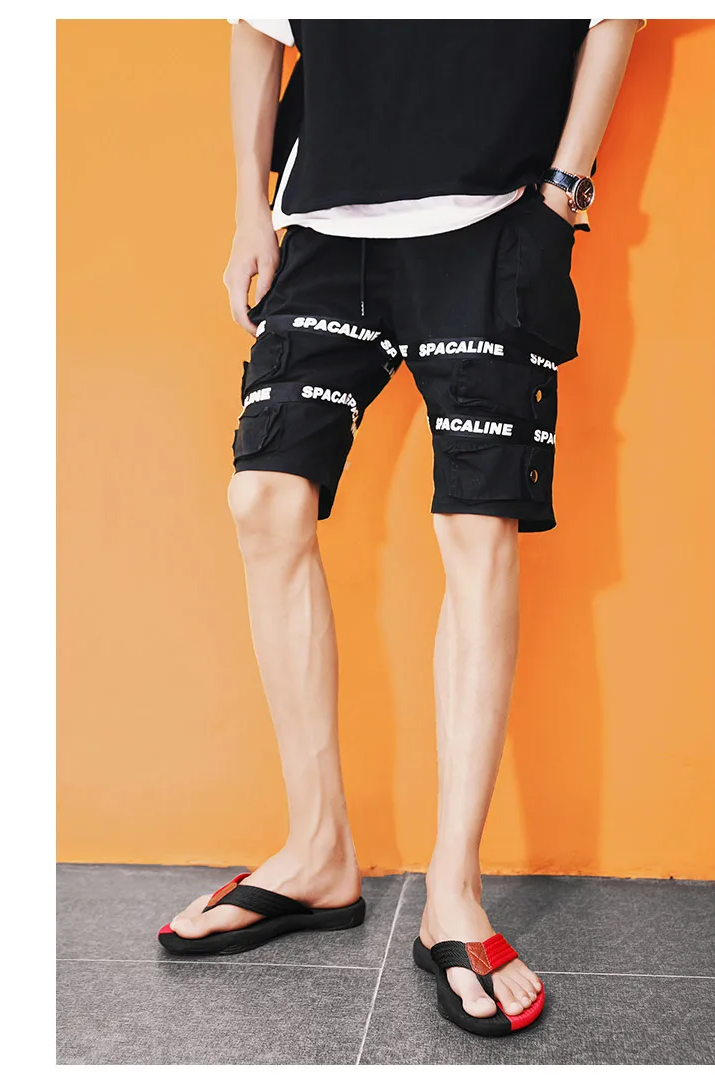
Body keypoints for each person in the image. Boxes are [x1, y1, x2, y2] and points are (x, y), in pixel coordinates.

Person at [158, 17, 644, 1037]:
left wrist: (562, 196)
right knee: (265, 499)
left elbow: (614, 12)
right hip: (325, 221)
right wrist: (250, 208)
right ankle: (318, 850)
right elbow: (258, 26)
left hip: (496, 215)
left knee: (477, 526)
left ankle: (452, 890)